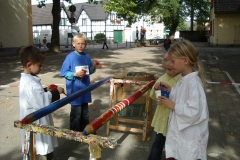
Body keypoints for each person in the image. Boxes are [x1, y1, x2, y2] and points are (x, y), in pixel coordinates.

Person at [158, 40, 209, 160]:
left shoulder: (194, 84)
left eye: (173, 61)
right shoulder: (184, 78)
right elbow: (182, 98)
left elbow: (194, 111)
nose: (171, 64)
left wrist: (173, 106)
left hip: (189, 137)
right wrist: (171, 90)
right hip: (182, 135)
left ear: (185, 61)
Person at [19, 46, 65, 159]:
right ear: (29, 65)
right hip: (36, 119)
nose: (41, 67)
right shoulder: (30, 83)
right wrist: (56, 92)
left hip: (34, 117)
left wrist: (45, 90)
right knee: (42, 145)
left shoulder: (28, 79)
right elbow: (41, 102)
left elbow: (34, 96)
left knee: (40, 145)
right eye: (39, 65)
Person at [60, 33, 98, 132]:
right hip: (75, 90)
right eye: (78, 43)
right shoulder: (70, 57)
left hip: (85, 88)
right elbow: (63, 72)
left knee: (85, 112)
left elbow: (89, 70)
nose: (80, 46)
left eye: (83, 43)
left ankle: (85, 131)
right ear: (73, 44)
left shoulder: (86, 56)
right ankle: (75, 133)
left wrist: (93, 67)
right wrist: (74, 74)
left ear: (85, 44)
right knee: (76, 113)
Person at [148, 53, 180, 160]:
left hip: (175, 119)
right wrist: (156, 89)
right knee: (158, 143)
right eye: (165, 69)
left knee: (174, 145)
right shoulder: (162, 78)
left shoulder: (182, 80)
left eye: (170, 69)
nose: (168, 72)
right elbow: (152, 96)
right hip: (162, 118)